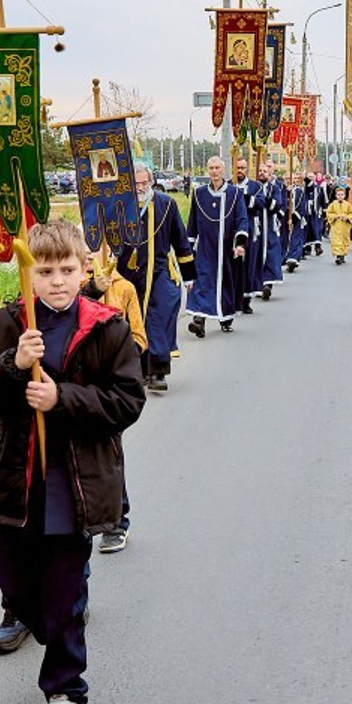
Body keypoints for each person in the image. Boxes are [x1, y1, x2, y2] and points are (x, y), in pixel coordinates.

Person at [0, 219, 143, 704]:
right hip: (18, 482)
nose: (57, 281)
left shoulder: (106, 326)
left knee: (63, 594)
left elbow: (127, 402)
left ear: (85, 268)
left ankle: (66, 694)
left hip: (76, 483)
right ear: (29, 273)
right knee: (14, 581)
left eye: (67, 270)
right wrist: (12, 366)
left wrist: (62, 398)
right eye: (45, 271)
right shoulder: (5, 325)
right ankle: (53, 626)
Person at [85, 248, 148, 555]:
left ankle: (116, 523)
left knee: (108, 457)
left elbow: (139, 337)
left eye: (92, 252)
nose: (87, 258)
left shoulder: (123, 288)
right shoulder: (69, 293)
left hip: (107, 393)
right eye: (81, 253)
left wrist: (117, 356)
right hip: (71, 394)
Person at [117, 161, 194, 395]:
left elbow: (180, 240)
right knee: (131, 321)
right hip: (128, 273)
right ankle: (138, 370)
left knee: (159, 317)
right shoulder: (121, 206)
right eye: (136, 183)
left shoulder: (166, 204)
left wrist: (189, 276)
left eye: (144, 183)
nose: (140, 187)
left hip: (159, 270)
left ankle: (158, 371)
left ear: (151, 182)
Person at [186, 156, 250, 336]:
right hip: (205, 248)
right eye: (211, 168)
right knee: (202, 282)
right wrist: (188, 248)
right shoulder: (199, 194)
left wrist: (239, 244)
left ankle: (225, 318)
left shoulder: (234, 193)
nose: (214, 171)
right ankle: (199, 321)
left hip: (226, 248)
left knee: (224, 283)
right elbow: (192, 223)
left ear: (223, 170)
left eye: (217, 168)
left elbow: (242, 219)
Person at [233, 158, 266, 315]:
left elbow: (261, 203)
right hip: (232, 229)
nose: (239, 170)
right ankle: (231, 298)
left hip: (251, 228)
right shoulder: (228, 184)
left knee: (248, 264)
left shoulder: (256, 186)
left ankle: (246, 299)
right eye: (237, 167)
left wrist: (243, 197)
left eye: (242, 168)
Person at [258, 161, 286, 299]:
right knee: (256, 255)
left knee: (271, 253)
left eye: (265, 171)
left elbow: (277, 204)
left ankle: (267, 284)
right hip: (256, 227)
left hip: (269, 226)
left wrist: (265, 201)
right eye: (260, 171)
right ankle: (257, 283)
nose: (262, 173)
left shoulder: (274, 188)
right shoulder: (253, 187)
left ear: (269, 174)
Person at [326, 184, 352, 263]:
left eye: (342, 194)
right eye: (338, 195)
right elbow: (329, 213)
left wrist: (348, 217)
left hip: (345, 226)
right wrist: (334, 216)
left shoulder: (348, 205)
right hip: (336, 225)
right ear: (336, 195)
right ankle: (338, 255)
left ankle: (343, 255)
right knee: (336, 240)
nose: (340, 196)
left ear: (345, 195)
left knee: (345, 240)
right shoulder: (333, 205)